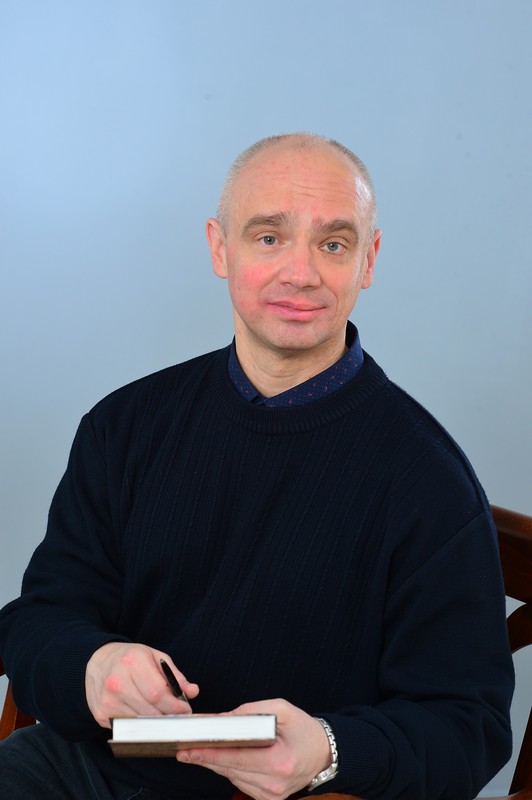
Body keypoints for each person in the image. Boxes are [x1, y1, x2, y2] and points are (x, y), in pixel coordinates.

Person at [0, 133, 514, 800]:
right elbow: (40, 618)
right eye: (269, 237)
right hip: (89, 773)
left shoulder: (430, 483)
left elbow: (467, 729)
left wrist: (328, 750)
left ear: (368, 260)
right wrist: (93, 666)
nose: (301, 273)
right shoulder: (123, 426)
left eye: (334, 244)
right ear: (220, 248)